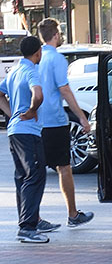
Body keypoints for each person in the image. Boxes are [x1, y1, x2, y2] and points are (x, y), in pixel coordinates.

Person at [36, 18, 94, 229]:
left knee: (36, 171)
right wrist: (82, 116)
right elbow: (65, 89)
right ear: (56, 35)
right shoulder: (57, 59)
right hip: (55, 121)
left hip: (37, 121)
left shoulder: (37, 57)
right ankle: (72, 213)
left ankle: (34, 217)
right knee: (64, 168)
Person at [0, 36, 49, 243]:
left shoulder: (14, 71)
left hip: (14, 131)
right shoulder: (31, 71)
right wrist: (31, 110)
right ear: (38, 52)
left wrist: (11, 114)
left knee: (23, 176)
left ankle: (29, 221)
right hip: (28, 130)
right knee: (35, 174)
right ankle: (28, 227)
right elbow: (38, 94)